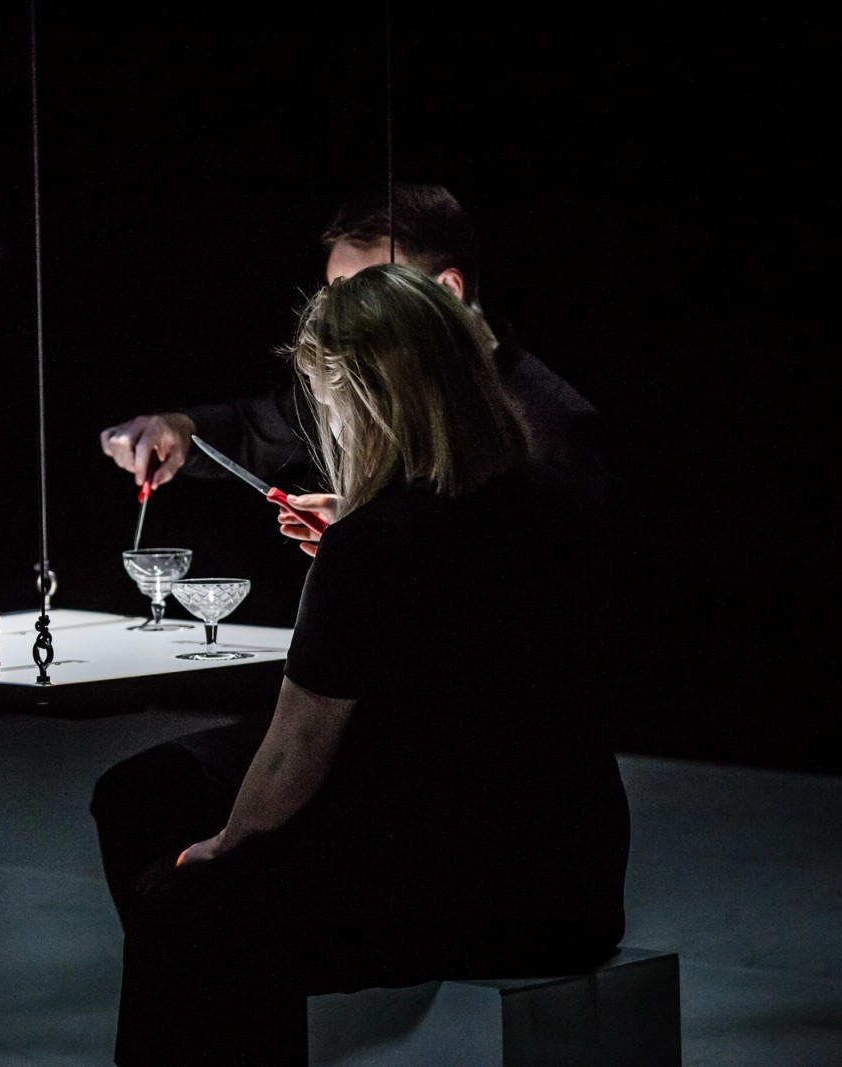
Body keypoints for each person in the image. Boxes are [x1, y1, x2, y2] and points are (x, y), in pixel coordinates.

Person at [101, 265, 630, 1067]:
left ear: (367, 400)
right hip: (577, 874)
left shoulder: (375, 546)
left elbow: (295, 751)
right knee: (171, 808)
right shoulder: (549, 504)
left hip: (460, 890)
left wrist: (221, 848)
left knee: (180, 904)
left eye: (326, 402)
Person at [98, 182, 610, 527]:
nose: (335, 319)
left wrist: (380, 540)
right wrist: (178, 429)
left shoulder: (558, 425)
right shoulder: (354, 386)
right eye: (335, 293)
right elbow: (257, 429)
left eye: (366, 291)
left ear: (447, 291)